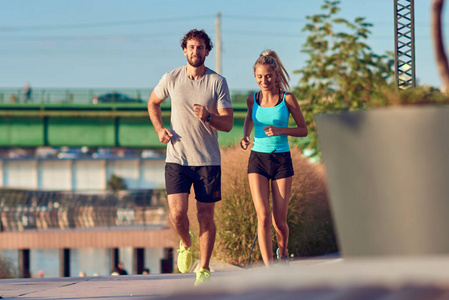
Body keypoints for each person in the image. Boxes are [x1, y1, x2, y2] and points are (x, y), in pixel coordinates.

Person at [148, 29, 233, 286]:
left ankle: (204, 268)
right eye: (191, 47)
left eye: (201, 47)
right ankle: (186, 242)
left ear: (208, 51)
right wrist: (159, 129)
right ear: (185, 50)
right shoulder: (171, 78)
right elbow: (153, 102)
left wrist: (208, 116)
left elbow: (228, 123)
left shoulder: (218, 82)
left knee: (206, 215)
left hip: (207, 160)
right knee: (177, 214)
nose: (196, 51)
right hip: (177, 158)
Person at [240, 50, 308, 267]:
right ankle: (270, 271)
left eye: (268, 76)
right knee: (263, 217)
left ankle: (283, 251)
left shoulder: (287, 99)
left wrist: (280, 130)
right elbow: (249, 120)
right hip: (257, 159)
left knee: (279, 222)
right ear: (255, 77)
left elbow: (303, 130)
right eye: (259, 77)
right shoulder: (253, 98)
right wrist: (245, 136)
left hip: (281, 161)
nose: (264, 81)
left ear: (276, 75)